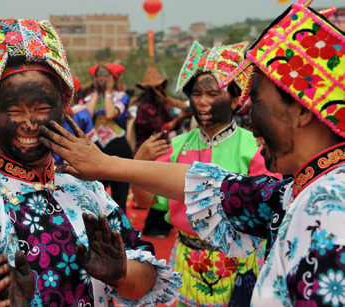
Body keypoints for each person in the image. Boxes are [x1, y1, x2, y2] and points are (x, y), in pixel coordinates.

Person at [39, 0, 345, 305]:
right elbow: (211, 187)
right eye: (197, 93)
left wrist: (109, 165)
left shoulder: (328, 208)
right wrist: (109, 164)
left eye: (256, 99)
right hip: (185, 262)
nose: (249, 116)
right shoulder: (297, 192)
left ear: (302, 111)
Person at [0, 15, 181, 307]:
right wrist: (0, 305)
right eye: (14, 109)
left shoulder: (89, 192)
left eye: (42, 107)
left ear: (63, 109)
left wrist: (122, 274)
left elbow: (144, 282)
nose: (30, 122)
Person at [133, 41, 278, 307]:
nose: (201, 101)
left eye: (212, 94)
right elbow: (146, 202)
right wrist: (139, 164)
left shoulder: (252, 146)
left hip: (237, 265)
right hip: (186, 258)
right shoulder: (177, 146)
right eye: (196, 93)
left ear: (236, 100)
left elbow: (272, 206)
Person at [134, 66, 191, 238]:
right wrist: (181, 117)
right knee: (153, 190)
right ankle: (152, 227)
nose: (159, 91)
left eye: (160, 87)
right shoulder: (146, 107)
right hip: (147, 152)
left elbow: (170, 123)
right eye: (156, 88)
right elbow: (161, 129)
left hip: (161, 150)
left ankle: (163, 225)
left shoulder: (160, 104)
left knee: (163, 188)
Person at [82, 62, 132, 212]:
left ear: (113, 77)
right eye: (99, 75)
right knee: (96, 191)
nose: (102, 78)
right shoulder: (90, 97)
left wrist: (108, 92)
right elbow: (86, 116)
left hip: (119, 146)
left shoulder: (121, 96)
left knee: (120, 192)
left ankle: (120, 226)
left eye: (106, 75)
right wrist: (97, 92)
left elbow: (110, 113)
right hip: (97, 149)